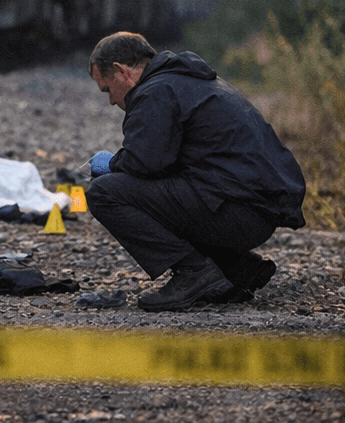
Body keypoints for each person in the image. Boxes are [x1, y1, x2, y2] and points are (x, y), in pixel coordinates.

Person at [85, 31, 307, 312]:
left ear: (121, 71)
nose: (112, 102)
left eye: (107, 90)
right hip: (254, 209)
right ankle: (236, 270)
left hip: (237, 210)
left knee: (106, 193)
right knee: (165, 189)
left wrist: (110, 164)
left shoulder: (156, 91)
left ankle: (193, 273)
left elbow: (145, 164)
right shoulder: (188, 80)